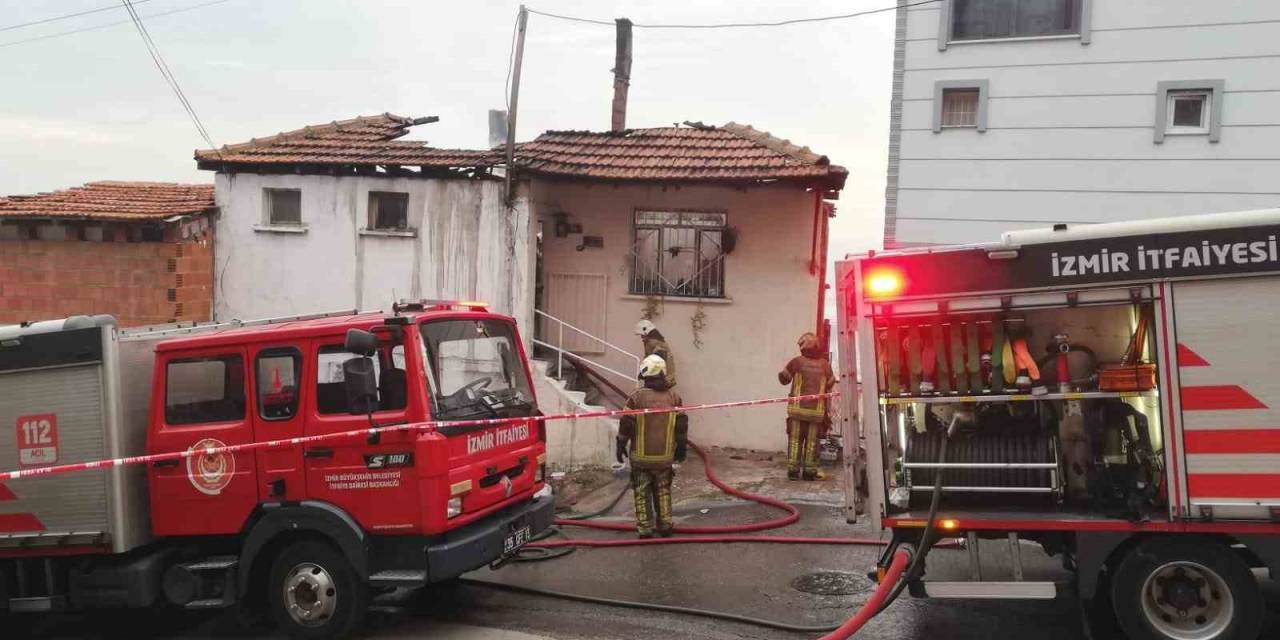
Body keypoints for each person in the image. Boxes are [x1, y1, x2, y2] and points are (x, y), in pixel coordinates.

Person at [617, 354, 689, 538]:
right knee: (663, 490)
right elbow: (681, 426)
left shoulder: (636, 397)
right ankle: (665, 525)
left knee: (641, 492)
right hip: (664, 457)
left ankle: (645, 528)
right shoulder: (674, 397)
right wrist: (681, 448)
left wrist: (620, 444)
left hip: (640, 457)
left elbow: (626, 423)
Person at [778, 332, 835, 480]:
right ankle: (809, 472)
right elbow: (830, 383)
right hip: (816, 413)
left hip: (797, 411)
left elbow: (784, 379)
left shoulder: (796, 362)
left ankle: (793, 471)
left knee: (795, 441)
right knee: (812, 443)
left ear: (804, 346)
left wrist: (782, 374)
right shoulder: (825, 365)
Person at [634, 319, 676, 387]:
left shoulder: (654, 342)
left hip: (664, 379)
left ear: (646, 331)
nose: (641, 337)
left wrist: (643, 372)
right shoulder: (651, 341)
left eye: (642, 335)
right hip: (665, 377)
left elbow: (657, 358)